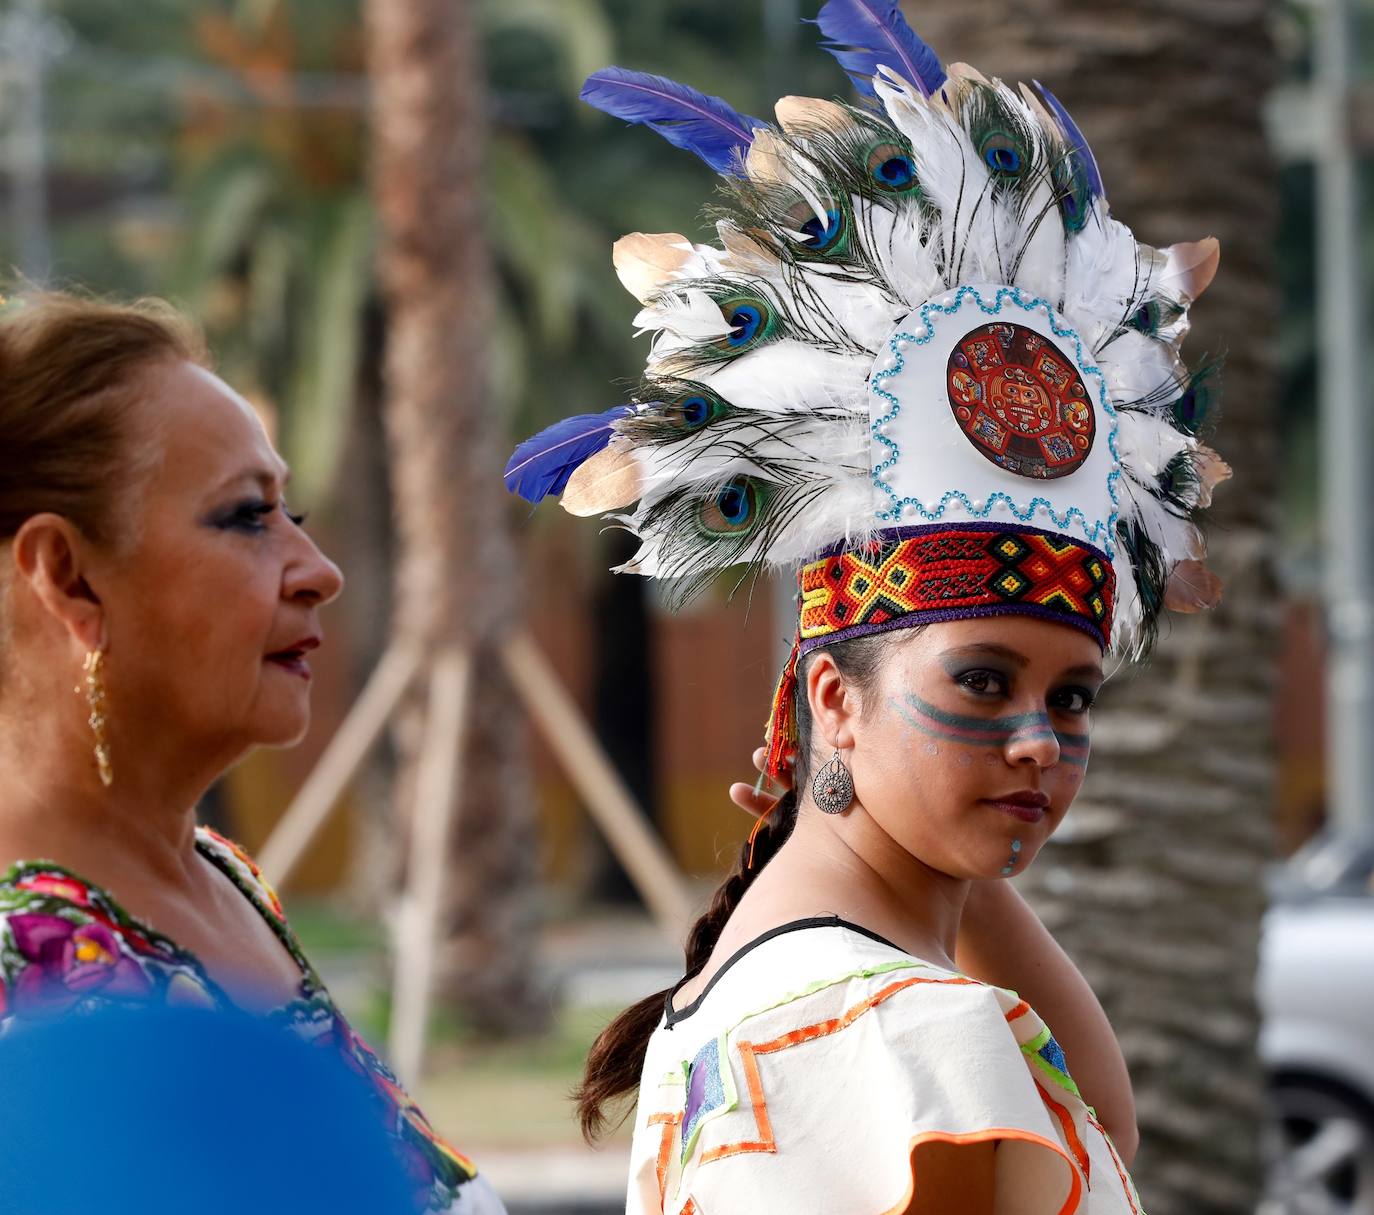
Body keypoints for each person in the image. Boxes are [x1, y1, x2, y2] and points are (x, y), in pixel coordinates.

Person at [507, 2, 1229, 1210]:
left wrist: (939, 822)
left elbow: (1103, 1124)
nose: (1042, 741)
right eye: (984, 683)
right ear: (836, 698)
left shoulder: (800, 979)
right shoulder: (899, 1033)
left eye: (1074, 695)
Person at [0, 290, 504, 1214]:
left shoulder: (223, 878)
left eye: (292, 512)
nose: (320, 570)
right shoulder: (27, 968)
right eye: (247, 516)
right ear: (68, 576)